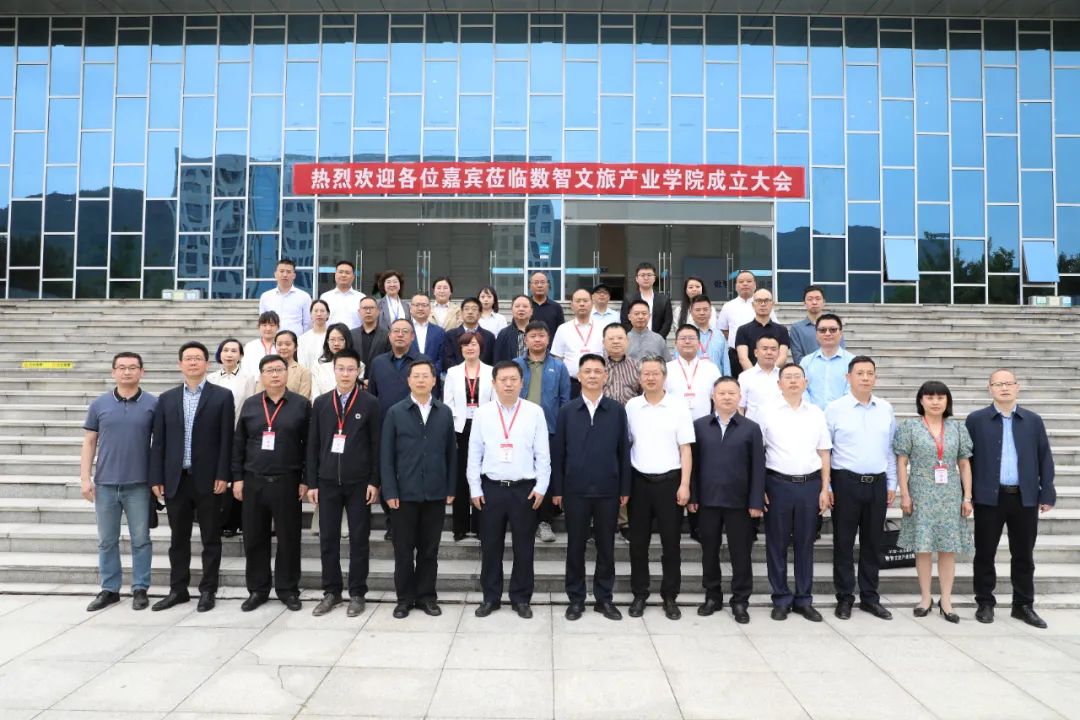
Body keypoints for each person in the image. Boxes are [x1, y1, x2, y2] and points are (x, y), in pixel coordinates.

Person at [149, 341, 234, 613]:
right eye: (188, 358)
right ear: (180, 364)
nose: (193, 362)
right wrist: (156, 477)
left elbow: (227, 440)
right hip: (176, 480)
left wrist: (223, 474)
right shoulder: (167, 398)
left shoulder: (222, 396)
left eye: (198, 358)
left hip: (209, 480)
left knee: (211, 538)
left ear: (207, 363)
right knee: (178, 539)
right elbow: (159, 442)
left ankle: (208, 590)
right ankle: (178, 590)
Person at [966, 369, 1055, 629]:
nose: (1004, 388)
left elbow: (1044, 457)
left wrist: (1047, 491)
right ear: (989, 388)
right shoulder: (976, 420)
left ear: (1017, 387)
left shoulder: (1033, 421)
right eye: (998, 384)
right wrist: (967, 495)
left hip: (1024, 497)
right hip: (988, 498)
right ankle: (985, 602)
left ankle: (1023, 605)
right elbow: (966, 460)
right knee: (985, 553)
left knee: (1024, 554)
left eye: (1008, 383)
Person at [467, 361, 551, 619]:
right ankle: (490, 598)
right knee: (490, 547)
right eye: (503, 379)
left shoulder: (534, 412)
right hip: (491, 489)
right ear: (493, 383)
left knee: (524, 547)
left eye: (514, 379)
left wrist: (541, 486)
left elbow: (542, 454)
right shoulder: (483, 413)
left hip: (524, 490)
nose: (508, 384)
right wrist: (474, 487)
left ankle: (521, 598)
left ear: (521, 382)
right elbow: (474, 453)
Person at [551, 354, 631, 621]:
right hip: (575, 490)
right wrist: (558, 489)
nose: (593, 375)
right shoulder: (567, 411)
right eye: (588, 371)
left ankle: (604, 598)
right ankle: (576, 599)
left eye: (598, 371)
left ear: (605, 376)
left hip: (608, 490)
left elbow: (624, 451)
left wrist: (625, 488)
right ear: (579, 376)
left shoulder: (616, 410)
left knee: (606, 547)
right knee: (575, 547)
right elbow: (559, 453)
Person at [232, 354, 310, 612]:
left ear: (287, 373)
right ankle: (258, 589)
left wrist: (306, 479)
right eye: (269, 370)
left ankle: (288, 589)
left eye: (279, 369)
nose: (275, 375)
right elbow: (239, 444)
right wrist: (237, 478)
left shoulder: (300, 405)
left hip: (287, 481)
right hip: (253, 481)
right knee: (254, 538)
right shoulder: (251, 404)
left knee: (289, 538)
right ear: (261, 375)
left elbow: (310, 445)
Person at [306, 348, 381, 618]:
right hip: (327, 482)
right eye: (341, 369)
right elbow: (313, 444)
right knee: (328, 538)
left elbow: (376, 445)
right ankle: (332, 591)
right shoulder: (321, 403)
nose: (346, 374)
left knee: (359, 539)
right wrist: (312, 482)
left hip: (359, 482)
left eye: (351, 369)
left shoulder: (370, 403)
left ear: (358, 371)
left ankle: (357, 592)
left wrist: (374, 481)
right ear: (334, 370)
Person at [80, 352, 157, 612]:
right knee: (107, 540)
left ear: (142, 372)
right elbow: (89, 441)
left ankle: (140, 588)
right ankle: (110, 589)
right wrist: (85, 478)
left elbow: (160, 444)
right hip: (105, 484)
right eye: (121, 367)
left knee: (141, 539)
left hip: (139, 484)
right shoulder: (99, 404)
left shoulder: (153, 404)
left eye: (132, 367)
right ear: (113, 372)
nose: (127, 372)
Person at [381, 360, 457, 618]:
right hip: (404, 495)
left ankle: (426, 596)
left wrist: (450, 487)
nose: (421, 380)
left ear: (434, 381)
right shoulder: (395, 412)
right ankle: (404, 599)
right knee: (403, 551)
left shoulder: (444, 412)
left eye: (426, 376)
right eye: (416, 376)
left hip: (435, 493)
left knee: (429, 550)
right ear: (409, 380)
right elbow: (386, 456)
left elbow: (451, 454)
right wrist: (390, 491)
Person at [894, 380, 974, 623]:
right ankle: (925, 597)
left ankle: (946, 600)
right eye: (929, 397)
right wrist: (905, 494)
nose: (935, 402)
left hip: (950, 493)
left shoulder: (957, 428)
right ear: (921, 400)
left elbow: (964, 463)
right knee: (923, 547)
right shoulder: (910, 427)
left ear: (947, 401)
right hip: (921, 491)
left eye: (940, 397)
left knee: (948, 549)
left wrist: (967, 497)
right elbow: (901, 462)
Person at [825, 356, 897, 621]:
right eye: (859, 373)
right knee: (843, 543)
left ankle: (870, 597)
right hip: (845, 482)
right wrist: (828, 485)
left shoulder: (885, 408)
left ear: (875, 377)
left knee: (872, 543)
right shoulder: (835, 409)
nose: (865, 378)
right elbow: (826, 450)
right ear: (848, 377)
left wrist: (892, 483)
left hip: (877, 483)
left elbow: (890, 449)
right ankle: (845, 597)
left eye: (870, 373)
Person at [759, 363, 832, 622]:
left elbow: (824, 452)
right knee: (776, 544)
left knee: (805, 543)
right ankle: (780, 597)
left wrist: (825, 488)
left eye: (797, 377)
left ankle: (803, 599)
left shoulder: (816, 413)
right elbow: (758, 452)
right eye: (787, 377)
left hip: (809, 485)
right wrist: (760, 488)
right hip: (777, 484)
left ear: (805, 383)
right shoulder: (766, 412)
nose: (792, 381)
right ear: (779, 383)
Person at [689, 377, 765, 624]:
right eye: (721, 393)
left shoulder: (751, 428)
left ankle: (740, 600)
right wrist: (693, 496)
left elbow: (758, 467)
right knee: (709, 552)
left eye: (732, 393)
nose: (727, 397)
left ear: (739, 397)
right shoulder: (700, 426)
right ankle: (712, 596)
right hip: (707, 502)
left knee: (740, 554)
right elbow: (693, 465)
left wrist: (756, 501)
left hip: (739, 503)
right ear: (713, 396)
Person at [625, 355, 695, 620]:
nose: (651, 377)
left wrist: (685, 484)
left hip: (670, 482)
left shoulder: (678, 406)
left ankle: (670, 596)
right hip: (639, 483)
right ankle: (639, 594)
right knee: (638, 544)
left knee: (671, 544)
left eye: (656, 373)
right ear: (639, 377)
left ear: (664, 377)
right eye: (646, 373)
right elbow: (626, 445)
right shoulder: (632, 406)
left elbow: (685, 448)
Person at [367, 319, 430, 540]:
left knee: (410, 474)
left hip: (414, 429)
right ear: (389, 336)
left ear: (412, 337)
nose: (400, 335)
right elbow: (372, 396)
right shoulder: (378, 363)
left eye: (405, 331)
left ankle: (413, 523)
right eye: (396, 331)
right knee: (387, 474)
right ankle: (393, 522)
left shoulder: (422, 362)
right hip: (384, 427)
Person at [514, 321, 571, 543]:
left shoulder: (559, 367)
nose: (537, 339)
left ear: (548, 340)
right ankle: (523, 518)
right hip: (519, 429)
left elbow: (565, 400)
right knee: (523, 473)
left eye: (541, 336)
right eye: (533, 336)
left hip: (550, 429)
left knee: (546, 473)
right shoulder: (516, 365)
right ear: (525, 339)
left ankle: (544, 521)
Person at [443, 333, 493, 541]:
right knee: (461, 476)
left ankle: (481, 526)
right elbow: (448, 403)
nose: (470, 348)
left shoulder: (491, 371)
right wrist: (456, 421)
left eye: (473, 344)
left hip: (484, 427)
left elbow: (494, 401)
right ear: (460, 349)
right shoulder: (453, 372)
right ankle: (460, 527)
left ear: (481, 347)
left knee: (481, 475)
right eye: (465, 345)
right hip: (460, 427)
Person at [602, 322, 641, 541]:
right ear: (604, 342)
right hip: (601, 427)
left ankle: (624, 521)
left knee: (626, 472)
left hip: (629, 428)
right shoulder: (597, 366)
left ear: (627, 341)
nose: (616, 342)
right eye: (611, 338)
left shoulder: (637, 366)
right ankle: (600, 521)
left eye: (620, 338)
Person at [716, 270, 774, 379]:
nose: (745, 284)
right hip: (735, 356)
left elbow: (773, 326)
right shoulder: (728, 306)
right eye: (741, 281)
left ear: (755, 285)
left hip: (762, 354)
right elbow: (723, 330)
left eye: (749, 281)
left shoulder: (763, 304)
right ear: (736, 286)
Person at [551, 288, 604, 398]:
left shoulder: (602, 328)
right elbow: (557, 358)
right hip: (571, 384)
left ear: (592, 304)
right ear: (572, 305)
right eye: (578, 301)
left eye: (585, 301)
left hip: (598, 383)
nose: (582, 304)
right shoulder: (563, 329)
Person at [665, 325, 723, 421]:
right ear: (675, 344)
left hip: (704, 424)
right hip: (673, 424)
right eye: (683, 338)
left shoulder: (711, 368)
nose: (687, 341)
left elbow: (719, 399)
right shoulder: (666, 369)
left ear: (699, 343)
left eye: (691, 338)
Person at [801, 313, 854, 410]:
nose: (827, 333)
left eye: (833, 330)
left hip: (843, 413)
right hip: (813, 415)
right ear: (816, 334)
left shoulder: (852, 361)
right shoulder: (806, 362)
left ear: (841, 333)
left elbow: (852, 390)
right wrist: (812, 411)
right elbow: (802, 389)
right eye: (822, 330)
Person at [734, 289, 790, 371]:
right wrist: (756, 375)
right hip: (751, 375)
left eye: (766, 301)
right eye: (759, 301)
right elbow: (743, 359)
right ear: (753, 305)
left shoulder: (782, 330)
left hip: (775, 375)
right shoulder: (742, 330)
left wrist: (769, 373)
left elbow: (783, 357)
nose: (763, 304)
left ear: (772, 304)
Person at [789, 285, 845, 365]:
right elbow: (798, 358)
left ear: (824, 302)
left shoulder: (834, 326)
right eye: (810, 299)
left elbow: (841, 351)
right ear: (804, 303)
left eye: (818, 299)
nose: (814, 302)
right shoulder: (797, 328)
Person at [619, 261, 674, 338]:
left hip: (657, 341)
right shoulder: (629, 299)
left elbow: (667, 323)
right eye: (642, 275)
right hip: (634, 341)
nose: (646, 278)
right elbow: (625, 321)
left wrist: (657, 339)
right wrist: (636, 338)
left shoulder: (664, 299)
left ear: (654, 278)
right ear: (637, 279)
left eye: (649, 275)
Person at [258, 259, 312, 335]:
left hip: (296, 340)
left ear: (294, 275)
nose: (285, 275)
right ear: (275, 274)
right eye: (281, 271)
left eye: (288, 272)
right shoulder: (266, 297)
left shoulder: (304, 297)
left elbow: (308, 323)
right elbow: (263, 322)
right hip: (273, 340)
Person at [208, 338, 257, 421]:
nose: (229, 354)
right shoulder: (211, 378)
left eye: (234, 351)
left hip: (238, 425)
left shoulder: (248, 378)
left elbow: (250, 405)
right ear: (220, 354)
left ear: (241, 356)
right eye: (225, 350)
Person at [255, 330, 311, 400]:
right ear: (275, 346)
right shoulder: (267, 369)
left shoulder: (303, 371)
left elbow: (304, 400)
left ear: (295, 347)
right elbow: (258, 396)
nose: (283, 347)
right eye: (279, 344)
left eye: (288, 344)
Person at [737, 336, 782, 423]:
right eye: (765, 349)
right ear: (756, 352)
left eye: (773, 349)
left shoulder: (784, 376)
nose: (769, 352)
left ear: (778, 353)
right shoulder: (745, 377)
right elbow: (740, 407)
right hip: (753, 429)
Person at [443, 297, 496, 369]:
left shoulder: (489, 337)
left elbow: (492, 360)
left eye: (474, 309)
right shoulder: (450, 335)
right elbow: (447, 359)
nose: (470, 312)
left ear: (480, 314)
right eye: (466, 309)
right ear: (461, 313)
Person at [310, 324, 358, 400]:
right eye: (332, 339)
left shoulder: (358, 365)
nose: (336, 343)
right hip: (324, 405)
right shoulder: (318, 365)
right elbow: (315, 394)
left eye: (341, 339)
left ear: (347, 341)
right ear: (327, 341)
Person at [319, 259, 365, 329]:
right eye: (340, 272)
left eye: (347, 273)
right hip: (331, 335)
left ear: (353, 277)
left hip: (354, 335)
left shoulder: (361, 298)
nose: (343, 275)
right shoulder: (325, 297)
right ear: (335, 275)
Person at [689, 295, 730, 374]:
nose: (702, 313)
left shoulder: (719, 335)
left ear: (711, 311)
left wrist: (727, 378)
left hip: (716, 380)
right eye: (697, 310)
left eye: (705, 309)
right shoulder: (685, 336)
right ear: (691, 312)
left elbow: (725, 363)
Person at [351, 296, 390, 378]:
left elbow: (389, 361)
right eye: (364, 308)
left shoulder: (388, 335)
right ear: (359, 312)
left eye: (371, 308)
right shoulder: (351, 335)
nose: (368, 311)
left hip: (379, 380)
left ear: (378, 311)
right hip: (356, 381)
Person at [409, 293, 447, 377]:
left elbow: (442, 358)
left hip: (433, 379)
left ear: (430, 309)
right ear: (410, 308)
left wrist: (431, 374)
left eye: (424, 305)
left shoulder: (439, 332)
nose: (420, 308)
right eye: (417, 305)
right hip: (407, 379)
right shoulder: (403, 330)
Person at [493, 294, 533, 362]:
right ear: (512, 310)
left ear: (531, 311)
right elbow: (497, 359)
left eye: (525, 306)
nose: (521, 309)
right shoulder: (504, 334)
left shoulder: (537, 332)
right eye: (517, 306)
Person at [528, 271, 565, 338]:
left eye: (542, 282)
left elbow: (562, 332)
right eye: (536, 282)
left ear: (548, 285)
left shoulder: (556, 307)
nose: (539, 285)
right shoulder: (525, 306)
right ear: (530, 286)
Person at [242, 311, 279, 377]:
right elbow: (245, 370)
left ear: (278, 327)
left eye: (272, 325)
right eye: (264, 325)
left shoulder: (282, 346)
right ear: (259, 327)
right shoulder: (250, 346)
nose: (268, 328)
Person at [297, 299, 331, 369]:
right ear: (310, 314)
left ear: (328, 314)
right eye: (316, 311)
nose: (319, 314)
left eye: (322, 311)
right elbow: (301, 364)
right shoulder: (303, 339)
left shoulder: (332, 337)